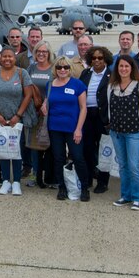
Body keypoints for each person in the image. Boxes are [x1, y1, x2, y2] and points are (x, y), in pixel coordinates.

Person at [103, 55, 139, 210]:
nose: (123, 69)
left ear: (132, 69)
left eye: (126, 66)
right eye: (121, 66)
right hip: (116, 131)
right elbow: (110, 108)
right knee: (122, 165)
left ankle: (137, 197)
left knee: (133, 165)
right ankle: (126, 195)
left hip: (134, 132)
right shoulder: (112, 86)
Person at [0, 46, 33, 196]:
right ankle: (6, 181)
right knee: (3, 149)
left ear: (14, 58)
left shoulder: (22, 73)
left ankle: (16, 181)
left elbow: (28, 95)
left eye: (10, 56)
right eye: (4, 56)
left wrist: (18, 115)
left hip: (17, 119)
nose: (6, 59)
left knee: (16, 149)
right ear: (0, 58)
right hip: (0, 119)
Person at [44, 55, 89, 201]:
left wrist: (78, 129)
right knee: (58, 158)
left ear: (70, 69)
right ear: (55, 69)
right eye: (59, 67)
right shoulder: (50, 85)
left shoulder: (77, 84)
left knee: (78, 157)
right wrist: (44, 106)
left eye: (65, 67)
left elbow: (83, 108)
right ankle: (62, 187)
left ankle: (84, 187)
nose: (62, 70)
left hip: (72, 128)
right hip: (55, 127)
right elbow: (48, 101)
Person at [79, 45, 112, 194]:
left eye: (100, 58)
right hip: (87, 114)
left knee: (104, 148)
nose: (97, 60)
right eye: (94, 58)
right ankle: (89, 176)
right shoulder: (85, 73)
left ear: (105, 59)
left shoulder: (112, 75)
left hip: (103, 116)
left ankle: (103, 181)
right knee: (88, 148)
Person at [27, 40, 56, 189]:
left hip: (50, 112)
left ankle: (50, 176)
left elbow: (56, 88)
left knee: (50, 145)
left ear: (49, 53)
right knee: (34, 146)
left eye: (44, 51)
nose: (41, 54)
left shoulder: (54, 69)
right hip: (34, 112)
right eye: (39, 51)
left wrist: (47, 103)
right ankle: (35, 173)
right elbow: (26, 88)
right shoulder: (31, 68)